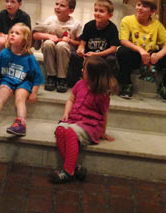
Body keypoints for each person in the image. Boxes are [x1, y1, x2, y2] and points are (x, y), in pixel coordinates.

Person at [49, 56, 118, 184]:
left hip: (90, 125)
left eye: (84, 69)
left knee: (70, 132)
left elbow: (104, 114)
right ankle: (75, 168)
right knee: (60, 130)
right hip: (74, 120)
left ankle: (68, 172)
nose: (81, 70)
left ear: (93, 75)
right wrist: (66, 113)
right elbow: (71, 99)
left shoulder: (102, 94)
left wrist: (103, 132)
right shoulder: (79, 84)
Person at [0, 23, 44, 136]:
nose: (12, 34)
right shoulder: (4, 53)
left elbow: (37, 76)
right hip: (7, 80)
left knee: (20, 98)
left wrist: (34, 93)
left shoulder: (29, 57)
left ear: (24, 40)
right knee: (2, 94)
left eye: (17, 33)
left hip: (24, 82)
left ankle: (21, 124)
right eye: (11, 32)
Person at [117, 0, 166, 103]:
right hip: (136, 56)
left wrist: (159, 54)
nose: (139, 8)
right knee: (122, 52)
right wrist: (140, 50)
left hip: (152, 58)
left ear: (152, 11)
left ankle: (164, 86)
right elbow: (123, 40)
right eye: (138, 5)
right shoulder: (127, 20)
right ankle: (126, 85)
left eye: (144, 6)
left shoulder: (156, 25)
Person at [33, 0, 82, 93]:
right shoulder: (50, 20)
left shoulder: (76, 23)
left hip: (66, 49)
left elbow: (80, 42)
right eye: (56, 4)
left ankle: (62, 78)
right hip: (51, 48)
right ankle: (51, 76)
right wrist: (49, 36)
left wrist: (69, 40)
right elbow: (35, 35)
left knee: (61, 45)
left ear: (71, 11)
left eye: (62, 5)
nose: (58, 7)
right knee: (48, 43)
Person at [67, 0, 119, 87]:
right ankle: (75, 82)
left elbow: (113, 48)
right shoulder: (89, 25)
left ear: (109, 15)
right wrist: (81, 50)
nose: (97, 13)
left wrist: (96, 55)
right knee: (75, 55)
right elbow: (82, 43)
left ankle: (105, 83)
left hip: (102, 56)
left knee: (111, 59)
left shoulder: (112, 28)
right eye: (96, 10)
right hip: (88, 56)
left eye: (101, 11)